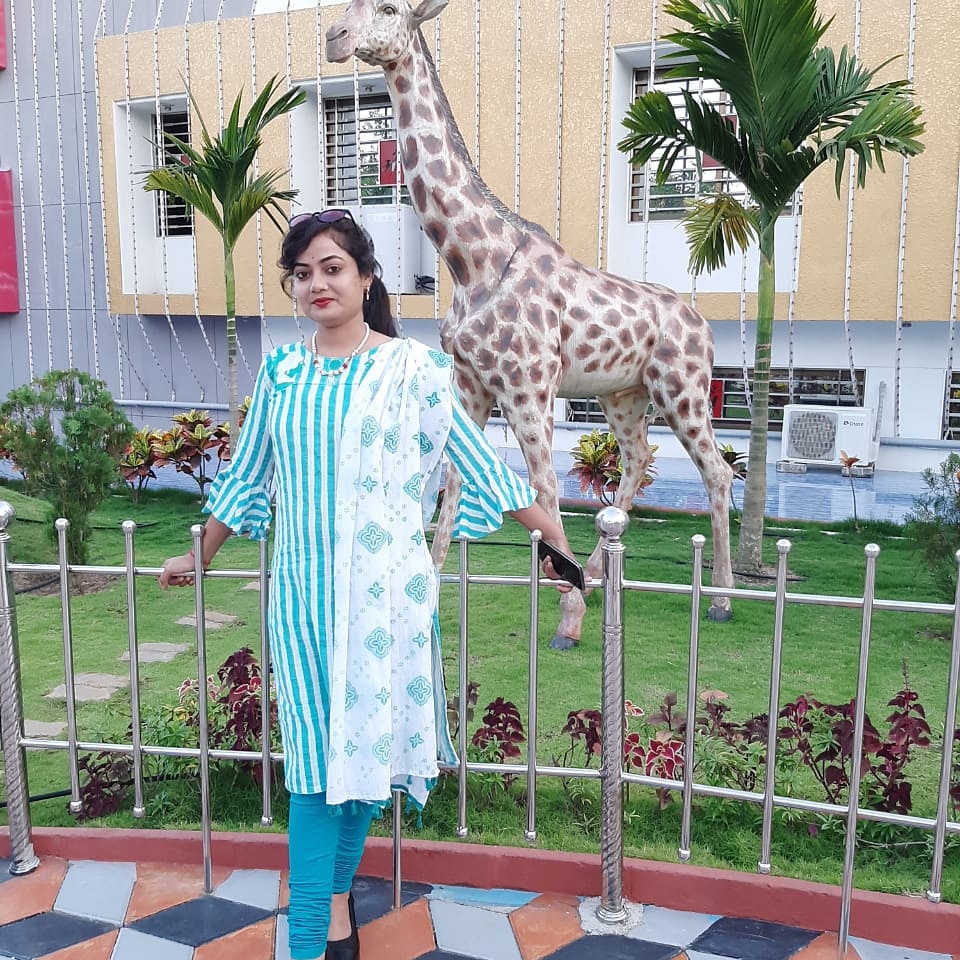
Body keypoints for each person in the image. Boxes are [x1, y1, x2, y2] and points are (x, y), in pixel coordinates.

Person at [158, 208, 574, 960]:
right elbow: (248, 472)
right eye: (303, 273)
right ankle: (311, 939)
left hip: (386, 602)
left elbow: (477, 463)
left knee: (362, 761)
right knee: (314, 770)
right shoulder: (282, 373)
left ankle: (327, 918)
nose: (317, 284)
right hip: (302, 602)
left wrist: (554, 537)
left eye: (332, 268)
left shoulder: (414, 370)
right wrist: (203, 554)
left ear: (367, 277)